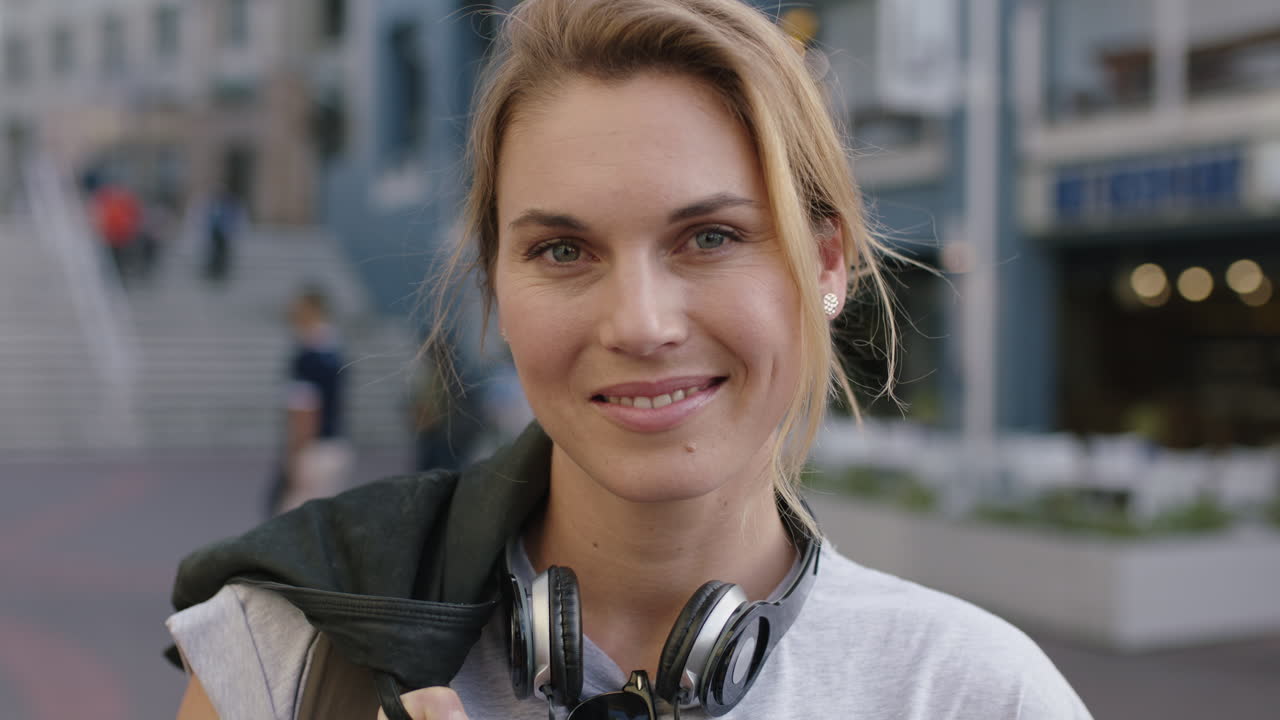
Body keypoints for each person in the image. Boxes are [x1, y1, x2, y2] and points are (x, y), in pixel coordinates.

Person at [167, 1, 1094, 719]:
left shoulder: (973, 692)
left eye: (711, 237)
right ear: (496, 282)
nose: (641, 324)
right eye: (563, 251)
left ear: (823, 264)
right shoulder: (299, 644)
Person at [267, 285, 353, 516]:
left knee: (293, 526)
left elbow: (304, 411)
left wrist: (293, 457)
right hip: (335, 445)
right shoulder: (335, 350)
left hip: (313, 451)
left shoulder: (308, 356)